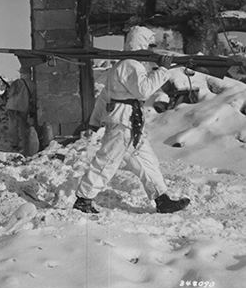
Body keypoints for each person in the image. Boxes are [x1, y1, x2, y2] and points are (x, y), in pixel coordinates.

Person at [73, 25, 191, 214]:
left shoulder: (122, 65)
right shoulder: (131, 65)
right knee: (107, 161)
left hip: (130, 123)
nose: (151, 49)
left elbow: (104, 97)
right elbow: (143, 90)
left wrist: (94, 121)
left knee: (147, 162)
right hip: (123, 123)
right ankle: (84, 199)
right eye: (148, 45)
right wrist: (163, 70)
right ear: (141, 44)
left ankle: (162, 199)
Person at [5, 68, 37, 155]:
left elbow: (10, 93)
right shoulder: (33, 84)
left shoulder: (17, 82)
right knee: (23, 126)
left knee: (13, 126)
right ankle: (24, 144)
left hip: (13, 107)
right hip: (24, 108)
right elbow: (33, 98)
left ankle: (14, 144)